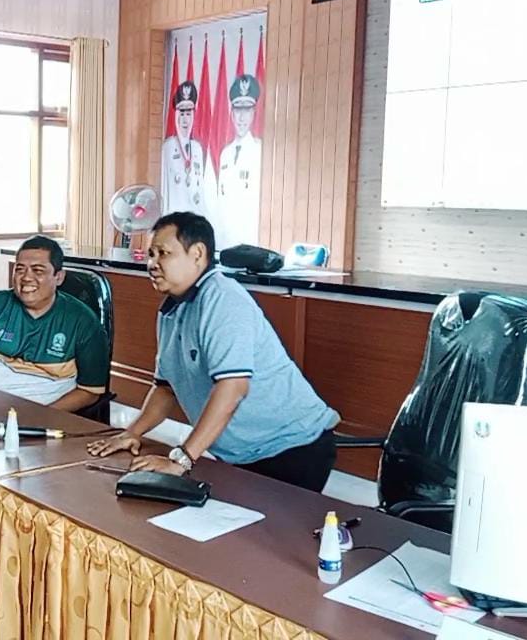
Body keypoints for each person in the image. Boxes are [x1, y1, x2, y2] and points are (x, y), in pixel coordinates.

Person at [87, 212, 340, 492]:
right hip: (240, 453)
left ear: (197, 254)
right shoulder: (172, 309)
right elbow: (165, 388)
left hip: (291, 447)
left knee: (261, 534)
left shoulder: (223, 300)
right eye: (150, 254)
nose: (152, 264)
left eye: (163, 254)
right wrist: (131, 432)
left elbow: (232, 388)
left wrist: (181, 459)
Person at [0, 235, 110, 412]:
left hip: (44, 416)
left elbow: (90, 392)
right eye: (20, 269)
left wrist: (38, 417)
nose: (26, 278)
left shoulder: (83, 321)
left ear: (59, 277)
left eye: (38, 271)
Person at [215, 74, 263, 247]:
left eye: (247, 110)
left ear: (254, 113)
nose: (241, 118)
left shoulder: (260, 152)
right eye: (237, 110)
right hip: (225, 244)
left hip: (251, 243)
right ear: (231, 113)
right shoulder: (225, 154)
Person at [161, 80, 208, 215]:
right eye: (181, 114)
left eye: (188, 114)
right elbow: (164, 190)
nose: (185, 120)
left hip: (194, 220)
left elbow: (200, 192)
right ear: (176, 116)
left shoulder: (197, 149)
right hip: (174, 221)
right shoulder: (167, 148)